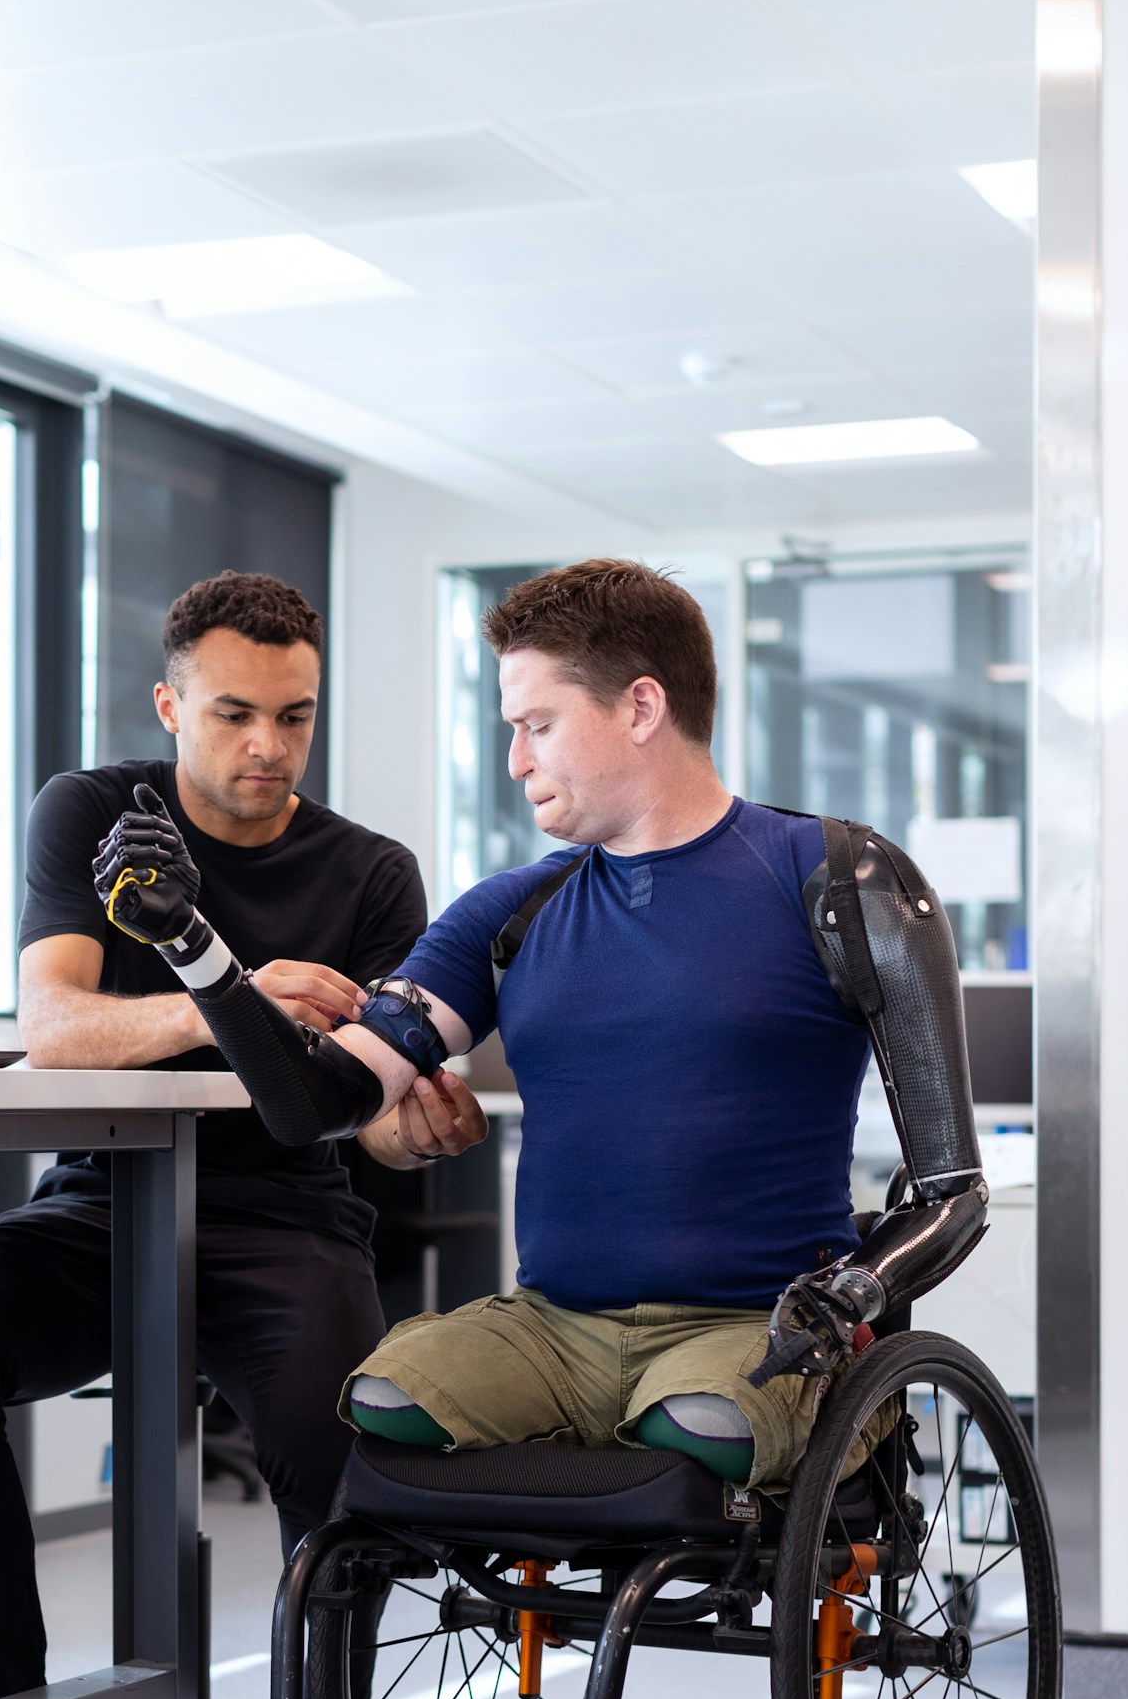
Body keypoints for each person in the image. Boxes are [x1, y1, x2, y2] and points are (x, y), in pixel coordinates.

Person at [93, 557, 985, 1503]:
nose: (516, 760)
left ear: (640, 708)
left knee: (697, 1427)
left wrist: (855, 1293)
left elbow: (952, 1191)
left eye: (536, 726)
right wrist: (193, 949)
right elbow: (318, 1102)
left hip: (749, 1328)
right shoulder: (508, 915)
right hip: (551, 1331)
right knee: (383, 1400)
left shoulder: (841, 884)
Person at [0, 568, 485, 1699]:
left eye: (293, 716)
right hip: (102, 1201)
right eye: (230, 714)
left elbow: (370, 1124)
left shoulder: (373, 873)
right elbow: (56, 1028)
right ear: (170, 705)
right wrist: (231, 994)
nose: (264, 747)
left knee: (339, 1415)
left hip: (285, 1216)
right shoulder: (95, 817)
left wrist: (412, 1134)